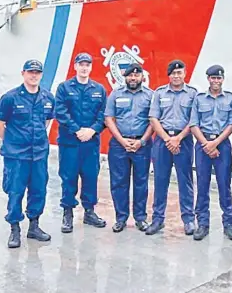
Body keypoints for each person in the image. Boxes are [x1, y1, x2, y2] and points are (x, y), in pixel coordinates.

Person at [0, 59, 56, 248]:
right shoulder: (10, 98)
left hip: (39, 154)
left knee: (38, 190)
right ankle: (15, 229)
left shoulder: (47, 98)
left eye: (37, 72)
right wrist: (12, 141)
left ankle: (34, 226)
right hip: (17, 156)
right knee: (15, 191)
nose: (34, 75)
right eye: (30, 72)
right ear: (23, 74)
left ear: (41, 75)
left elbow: (47, 122)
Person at [53, 52, 107, 233]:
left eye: (87, 65)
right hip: (70, 143)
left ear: (91, 67)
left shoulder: (99, 90)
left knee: (91, 176)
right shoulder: (64, 88)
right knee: (69, 177)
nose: (84, 68)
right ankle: (67, 212)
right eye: (81, 64)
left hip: (90, 143)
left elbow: (103, 115)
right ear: (75, 66)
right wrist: (77, 130)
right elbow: (60, 112)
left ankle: (89, 212)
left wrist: (92, 130)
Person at [145, 59, 198, 236]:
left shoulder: (192, 94)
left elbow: (194, 120)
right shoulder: (159, 93)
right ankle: (158, 219)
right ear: (169, 75)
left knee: (185, 181)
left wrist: (178, 138)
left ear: (184, 74)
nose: (176, 76)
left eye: (179, 72)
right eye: (173, 73)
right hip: (162, 140)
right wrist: (168, 139)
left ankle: (189, 220)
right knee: (160, 181)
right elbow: (153, 118)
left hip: (184, 140)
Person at [189, 64, 232, 241]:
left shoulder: (230, 99)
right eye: (213, 78)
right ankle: (202, 223)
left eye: (219, 78)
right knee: (202, 185)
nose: (216, 81)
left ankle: (229, 223)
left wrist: (215, 143)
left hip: (222, 145)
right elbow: (193, 124)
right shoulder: (199, 98)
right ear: (208, 79)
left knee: (224, 185)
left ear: (223, 79)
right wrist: (206, 144)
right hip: (202, 145)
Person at [104, 63, 154, 233]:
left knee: (141, 182)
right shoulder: (115, 94)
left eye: (136, 75)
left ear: (142, 77)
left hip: (142, 145)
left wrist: (142, 141)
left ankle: (140, 218)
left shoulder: (150, 96)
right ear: (125, 77)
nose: (133, 78)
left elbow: (153, 121)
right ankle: (121, 218)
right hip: (119, 145)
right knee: (119, 182)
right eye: (130, 75)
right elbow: (109, 118)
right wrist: (122, 140)